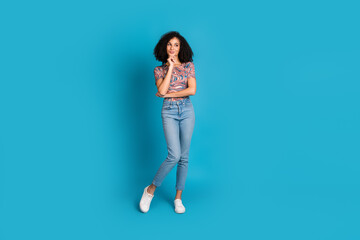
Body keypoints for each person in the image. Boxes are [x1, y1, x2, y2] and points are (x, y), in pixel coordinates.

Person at [139, 31, 197, 214]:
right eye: (170, 44)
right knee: (174, 155)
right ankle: (150, 190)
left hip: (187, 110)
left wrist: (169, 94)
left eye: (176, 45)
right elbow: (161, 90)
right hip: (169, 112)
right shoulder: (159, 70)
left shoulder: (189, 66)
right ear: (165, 47)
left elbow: (192, 90)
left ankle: (178, 198)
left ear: (181, 48)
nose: (173, 48)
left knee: (184, 157)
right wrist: (170, 67)